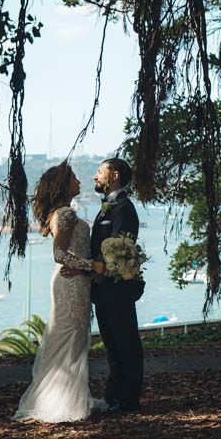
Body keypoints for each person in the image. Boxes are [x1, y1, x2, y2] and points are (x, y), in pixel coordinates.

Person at [14, 163, 107, 423]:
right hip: (70, 283)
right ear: (63, 185)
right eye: (74, 178)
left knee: (73, 336)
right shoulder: (64, 214)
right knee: (70, 335)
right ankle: (61, 403)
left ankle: (69, 398)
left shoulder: (63, 212)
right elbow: (59, 254)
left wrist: (86, 268)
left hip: (75, 280)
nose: (79, 181)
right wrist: (92, 266)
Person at [68, 158, 145, 413]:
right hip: (103, 291)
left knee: (126, 344)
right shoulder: (106, 208)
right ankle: (114, 397)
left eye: (100, 171)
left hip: (118, 290)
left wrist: (88, 267)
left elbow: (120, 249)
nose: (95, 176)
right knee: (112, 346)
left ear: (115, 175)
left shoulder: (124, 209)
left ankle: (129, 400)